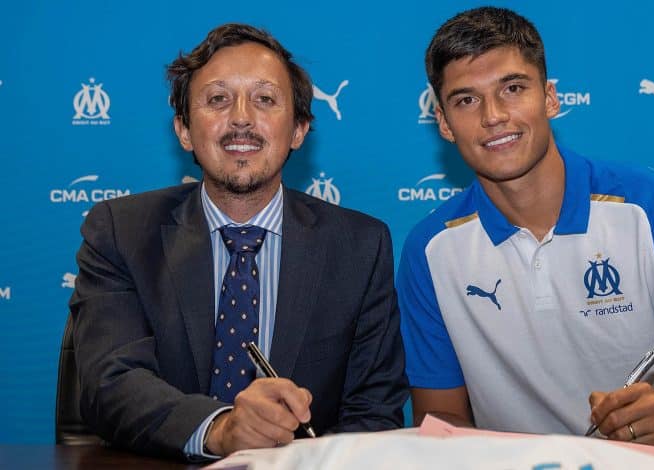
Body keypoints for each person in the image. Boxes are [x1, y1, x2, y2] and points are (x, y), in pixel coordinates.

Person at [397, 7, 654, 447]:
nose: (493, 115)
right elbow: (441, 423)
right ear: (443, 122)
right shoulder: (429, 251)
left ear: (550, 98)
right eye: (466, 100)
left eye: (513, 88)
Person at [69, 23, 407, 460]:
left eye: (264, 99)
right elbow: (110, 384)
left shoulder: (360, 246)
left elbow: (374, 413)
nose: (241, 118)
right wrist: (220, 428)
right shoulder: (121, 232)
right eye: (217, 99)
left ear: (299, 129)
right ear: (184, 130)